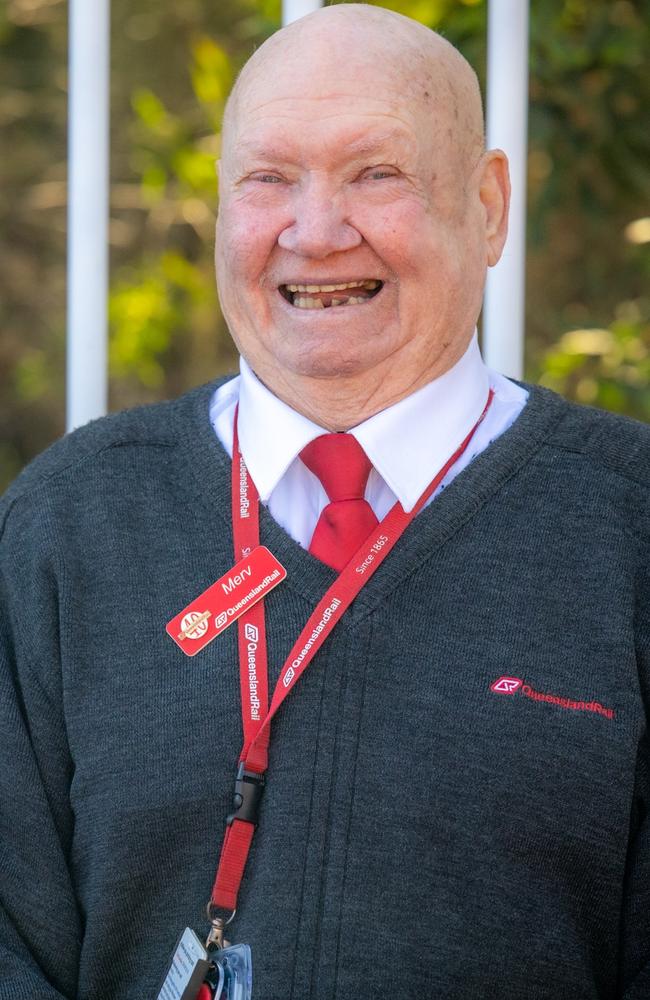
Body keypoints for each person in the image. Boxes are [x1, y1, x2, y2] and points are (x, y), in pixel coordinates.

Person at [1, 4, 648, 998]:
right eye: (268, 178)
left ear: (486, 206)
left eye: (374, 173)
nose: (313, 230)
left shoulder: (627, 526)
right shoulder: (66, 523)